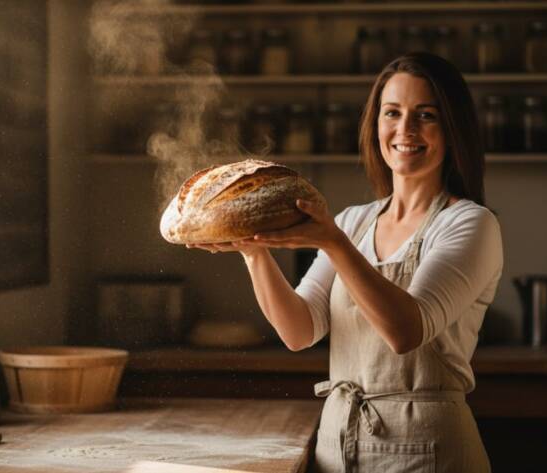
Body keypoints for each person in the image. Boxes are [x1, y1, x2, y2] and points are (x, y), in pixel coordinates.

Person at [188, 52, 502, 473]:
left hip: (429, 450)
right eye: (392, 113)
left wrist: (336, 245)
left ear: (452, 128)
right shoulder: (353, 221)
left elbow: (407, 330)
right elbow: (299, 330)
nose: (405, 129)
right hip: (338, 445)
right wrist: (254, 251)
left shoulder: (470, 223)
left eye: (425, 115)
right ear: (375, 126)